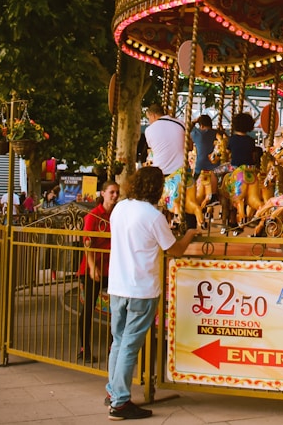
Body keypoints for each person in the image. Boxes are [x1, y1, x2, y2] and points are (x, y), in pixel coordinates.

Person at [105, 166, 198, 420]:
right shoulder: (152, 215)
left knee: (119, 340)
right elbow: (174, 250)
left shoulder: (120, 208)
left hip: (118, 285)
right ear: (157, 189)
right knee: (129, 345)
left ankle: (113, 391)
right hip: (141, 288)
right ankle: (120, 402)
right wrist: (190, 234)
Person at [78, 181, 118, 362]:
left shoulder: (118, 215)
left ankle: (113, 347)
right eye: (112, 192)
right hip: (94, 267)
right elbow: (87, 242)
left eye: (117, 193)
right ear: (103, 193)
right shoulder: (94, 216)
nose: (115, 196)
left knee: (117, 309)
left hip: (113, 268)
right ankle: (84, 348)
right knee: (88, 308)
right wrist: (93, 267)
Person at [144, 103, 186, 216]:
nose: (149, 121)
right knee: (186, 203)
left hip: (161, 172)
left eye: (149, 118)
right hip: (181, 171)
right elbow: (189, 146)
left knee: (153, 199)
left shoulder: (149, 130)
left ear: (153, 115)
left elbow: (152, 149)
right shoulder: (181, 123)